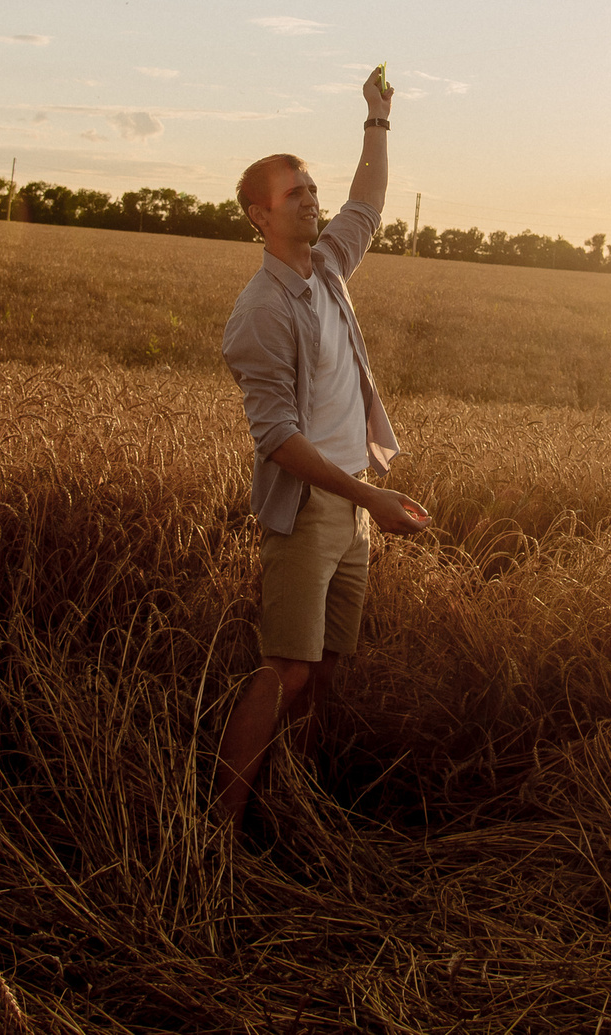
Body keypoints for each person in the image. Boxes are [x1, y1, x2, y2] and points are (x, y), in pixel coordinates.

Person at [213, 64, 430, 828]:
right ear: (258, 216)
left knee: (328, 669)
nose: (312, 199)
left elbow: (366, 201)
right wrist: (366, 492)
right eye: (294, 193)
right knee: (287, 669)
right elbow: (275, 438)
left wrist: (376, 118)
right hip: (311, 510)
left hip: (353, 514)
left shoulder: (330, 268)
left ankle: (290, 811)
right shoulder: (260, 311)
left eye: (311, 188)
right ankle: (219, 829)